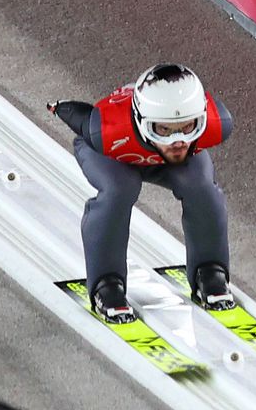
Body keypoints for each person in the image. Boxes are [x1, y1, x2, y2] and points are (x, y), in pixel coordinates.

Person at [48, 63, 236, 324]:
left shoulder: (218, 123)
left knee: (201, 185)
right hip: (113, 154)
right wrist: (57, 107)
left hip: (162, 160)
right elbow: (76, 115)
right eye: (164, 130)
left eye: (188, 127)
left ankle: (210, 269)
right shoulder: (103, 131)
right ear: (141, 121)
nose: (177, 141)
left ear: (201, 119)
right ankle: (107, 282)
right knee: (119, 189)